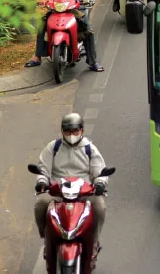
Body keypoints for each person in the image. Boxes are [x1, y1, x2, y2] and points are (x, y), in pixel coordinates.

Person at [33, 113, 109, 265]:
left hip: (83, 192)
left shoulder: (90, 149)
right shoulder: (53, 148)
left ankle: (94, 242)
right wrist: (42, 182)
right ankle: (46, 237)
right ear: (62, 131)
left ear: (82, 130)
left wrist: (100, 183)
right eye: (67, 131)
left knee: (100, 206)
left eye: (75, 131)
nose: (71, 135)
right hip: (58, 191)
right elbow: (43, 169)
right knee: (40, 203)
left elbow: (99, 172)